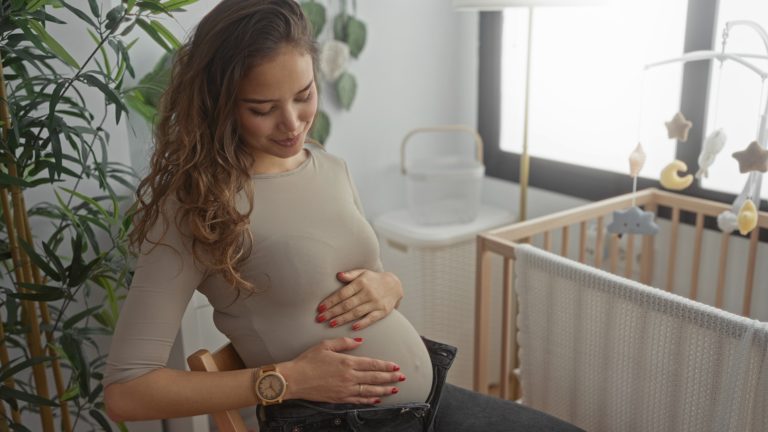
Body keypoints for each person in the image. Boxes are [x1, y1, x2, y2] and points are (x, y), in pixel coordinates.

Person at [103, 1, 584, 431]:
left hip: (426, 402)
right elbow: (127, 391)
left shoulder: (329, 167)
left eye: (304, 95)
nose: (292, 123)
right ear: (219, 104)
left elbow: (350, 281)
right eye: (262, 108)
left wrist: (389, 285)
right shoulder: (195, 206)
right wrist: (287, 379)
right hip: (335, 422)